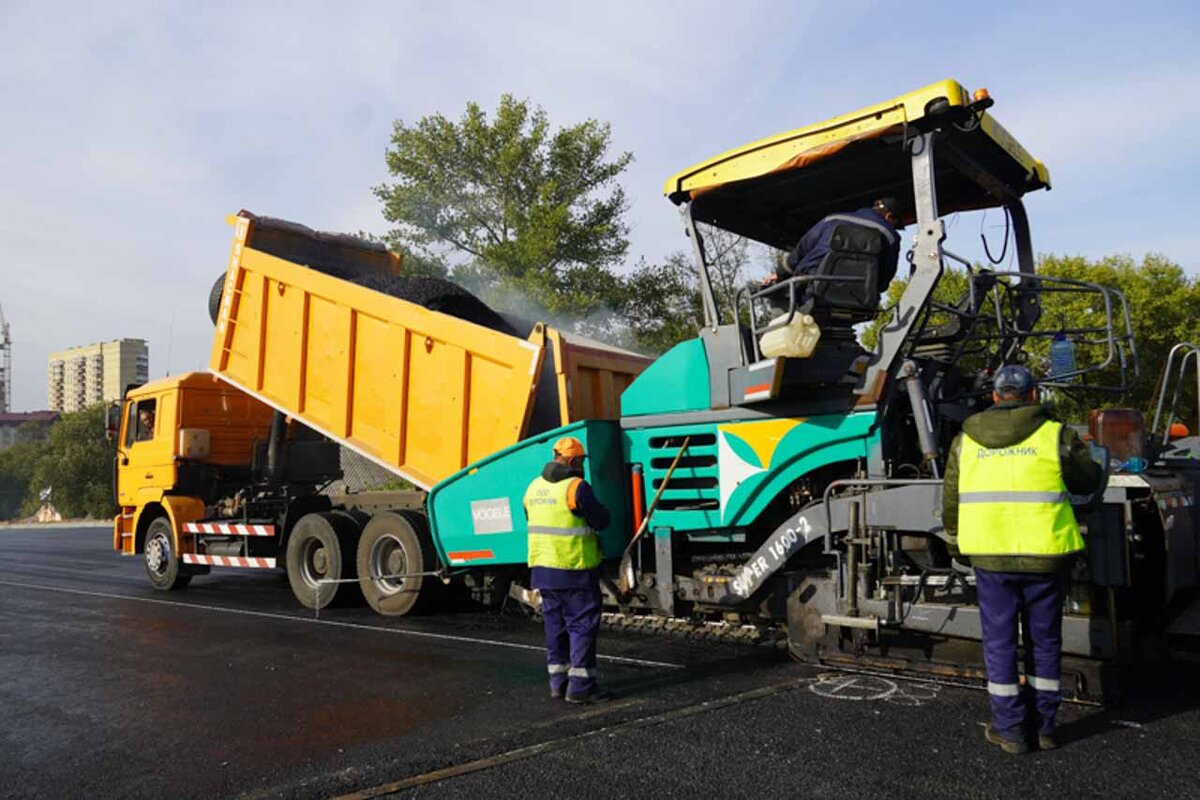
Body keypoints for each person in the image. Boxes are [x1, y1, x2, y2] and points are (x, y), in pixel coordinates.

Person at [942, 365, 1103, 754]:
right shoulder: (1057, 435)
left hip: (990, 556)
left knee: (999, 643)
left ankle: (1010, 730)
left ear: (995, 396)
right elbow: (1087, 481)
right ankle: (1045, 727)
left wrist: (954, 542)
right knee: (1044, 641)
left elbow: (951, 499)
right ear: (1033, 396)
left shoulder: (966, 440)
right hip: (1046, 554)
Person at [524, 436, 611, 703]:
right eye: (581, 461)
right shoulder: (576, 487)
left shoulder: (533, 488)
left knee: (555, 628)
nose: (582, 466)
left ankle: (558, 683)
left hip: (543, 571)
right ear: (573, 460)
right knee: (581, 627)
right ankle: (581, 688)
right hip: (575, 569)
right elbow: (601, 520)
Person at [765, 196, 902, 292]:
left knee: (778, 301)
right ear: (889, 217)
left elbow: (803, 248)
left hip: (809, 284)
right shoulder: (890, 236)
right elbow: (884, 278)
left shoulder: (832, 219)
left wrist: (780, 273)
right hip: (858, 297)